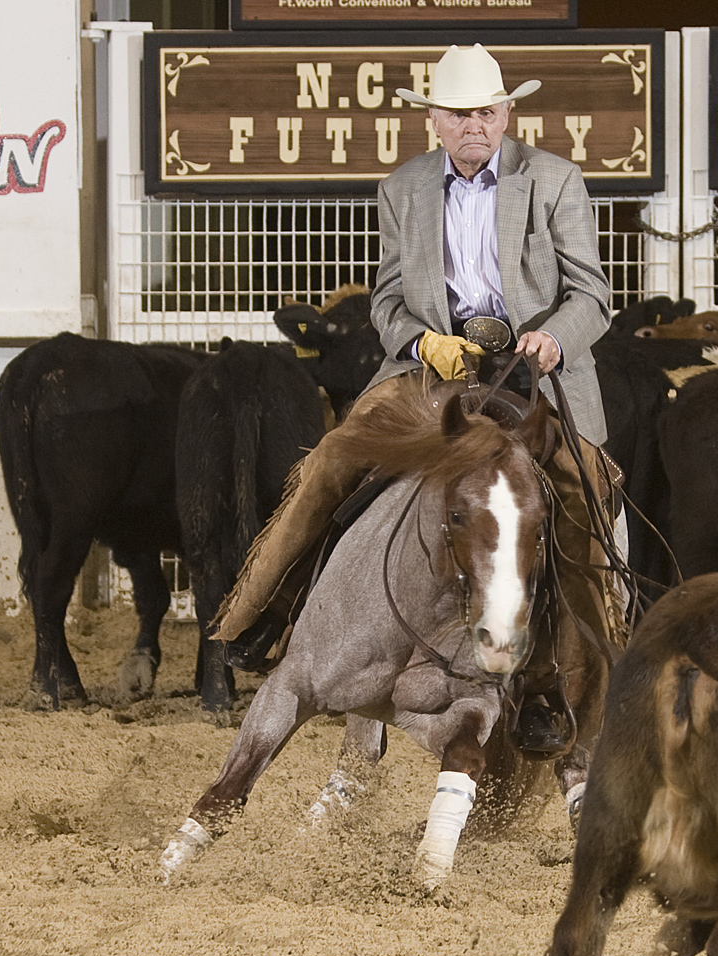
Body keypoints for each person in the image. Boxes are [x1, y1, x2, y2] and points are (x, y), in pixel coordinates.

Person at [215, 43, 619, 754]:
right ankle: (267, 610)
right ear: (432, 120)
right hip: (434, 370)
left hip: (532, 375)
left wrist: (553, 338)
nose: (475, 126)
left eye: (487, 113)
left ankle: (583, 669)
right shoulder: (402, 189)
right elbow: (390, 299)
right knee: (334, 459)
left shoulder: (554, 180)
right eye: (460, 114)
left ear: (508, 114)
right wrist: (422, 339)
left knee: (583, 493)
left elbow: (593, 294)